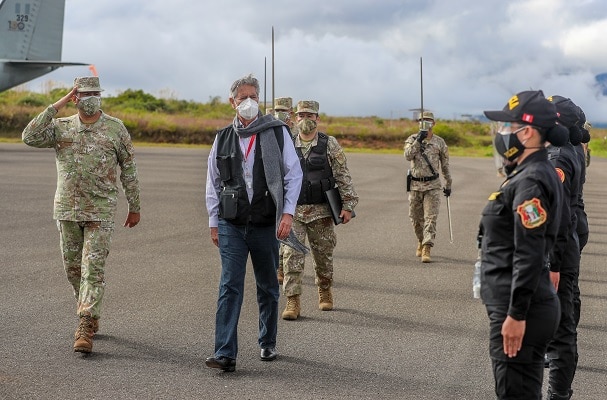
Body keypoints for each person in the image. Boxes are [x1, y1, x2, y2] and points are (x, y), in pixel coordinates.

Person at [21, 76, 141, 353]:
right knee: (73, 269)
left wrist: (134, 206)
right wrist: (56, 104)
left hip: (100, 211)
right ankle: (89, 308)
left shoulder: (115, 129)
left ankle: (85, 323)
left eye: (95, 92)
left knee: (93, 269)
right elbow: (29, 136)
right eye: (84, 93)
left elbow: (130, 169)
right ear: (75, 97)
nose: (91, 97)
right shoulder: (61, 128)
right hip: (67, 210)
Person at [204, 74, 303, 372]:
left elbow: (293, 174)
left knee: (267, 286)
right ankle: (225, 353)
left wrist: (287, 213)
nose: (248, 102)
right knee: (230, 285)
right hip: (231, 224)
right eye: (242, 97)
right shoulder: (223, 137)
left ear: (259, 100)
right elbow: (213, 181)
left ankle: (267, 341)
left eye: (253, 97)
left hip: (264, 222)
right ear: (232, 102)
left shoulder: (276, 132)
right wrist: (213, 220)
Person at [479, 90, 569, 399]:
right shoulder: (532, 173)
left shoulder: (531, 182)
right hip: (527, 305)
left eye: (508, 126)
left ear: (526, 131)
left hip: (522, 312)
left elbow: (529, 254)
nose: (502, 134)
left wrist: (516, 315)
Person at [281, 100, 358, 320]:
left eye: (310, 115)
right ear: (295, 117)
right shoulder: (286, 142)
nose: (305, 119)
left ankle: (324, 289)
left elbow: (343, 174)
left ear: (317, 118)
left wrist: (348, 205)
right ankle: (292, 300)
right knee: (291, 256)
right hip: (292, 211)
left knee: (323, 256)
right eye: (301, 115)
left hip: (321, 211)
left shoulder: (329, 143)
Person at [545, 96, 584, 400]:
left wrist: (553, 263)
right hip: (566, 243)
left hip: (557, 249)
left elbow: (556, 216)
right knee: (565, 314)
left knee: (560, 331)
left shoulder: (558, 157)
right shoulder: (569, 149)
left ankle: (558, 395)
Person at [403, 111, 452, 263]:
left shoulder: (440, 142)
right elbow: (407, 156)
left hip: (433, 186)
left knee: (430, 218)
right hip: (415, 185)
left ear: (434, 124)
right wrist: (419, 139)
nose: (425, 124)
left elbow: (445, 165)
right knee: (415, 219)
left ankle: (427, 247)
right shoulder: (412, 139)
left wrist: (448, 183)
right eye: (422, 121)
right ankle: (420, 239)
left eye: (428, 121)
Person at [272, 96, 295, 285]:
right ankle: (280, 268)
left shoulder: (296, 132)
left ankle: (289, 268)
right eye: (277, 109)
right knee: (279, 233)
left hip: (296, 189)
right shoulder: (272, 130)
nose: (281, 113)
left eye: (284, 110)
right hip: (278, 189)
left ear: (291, 113)